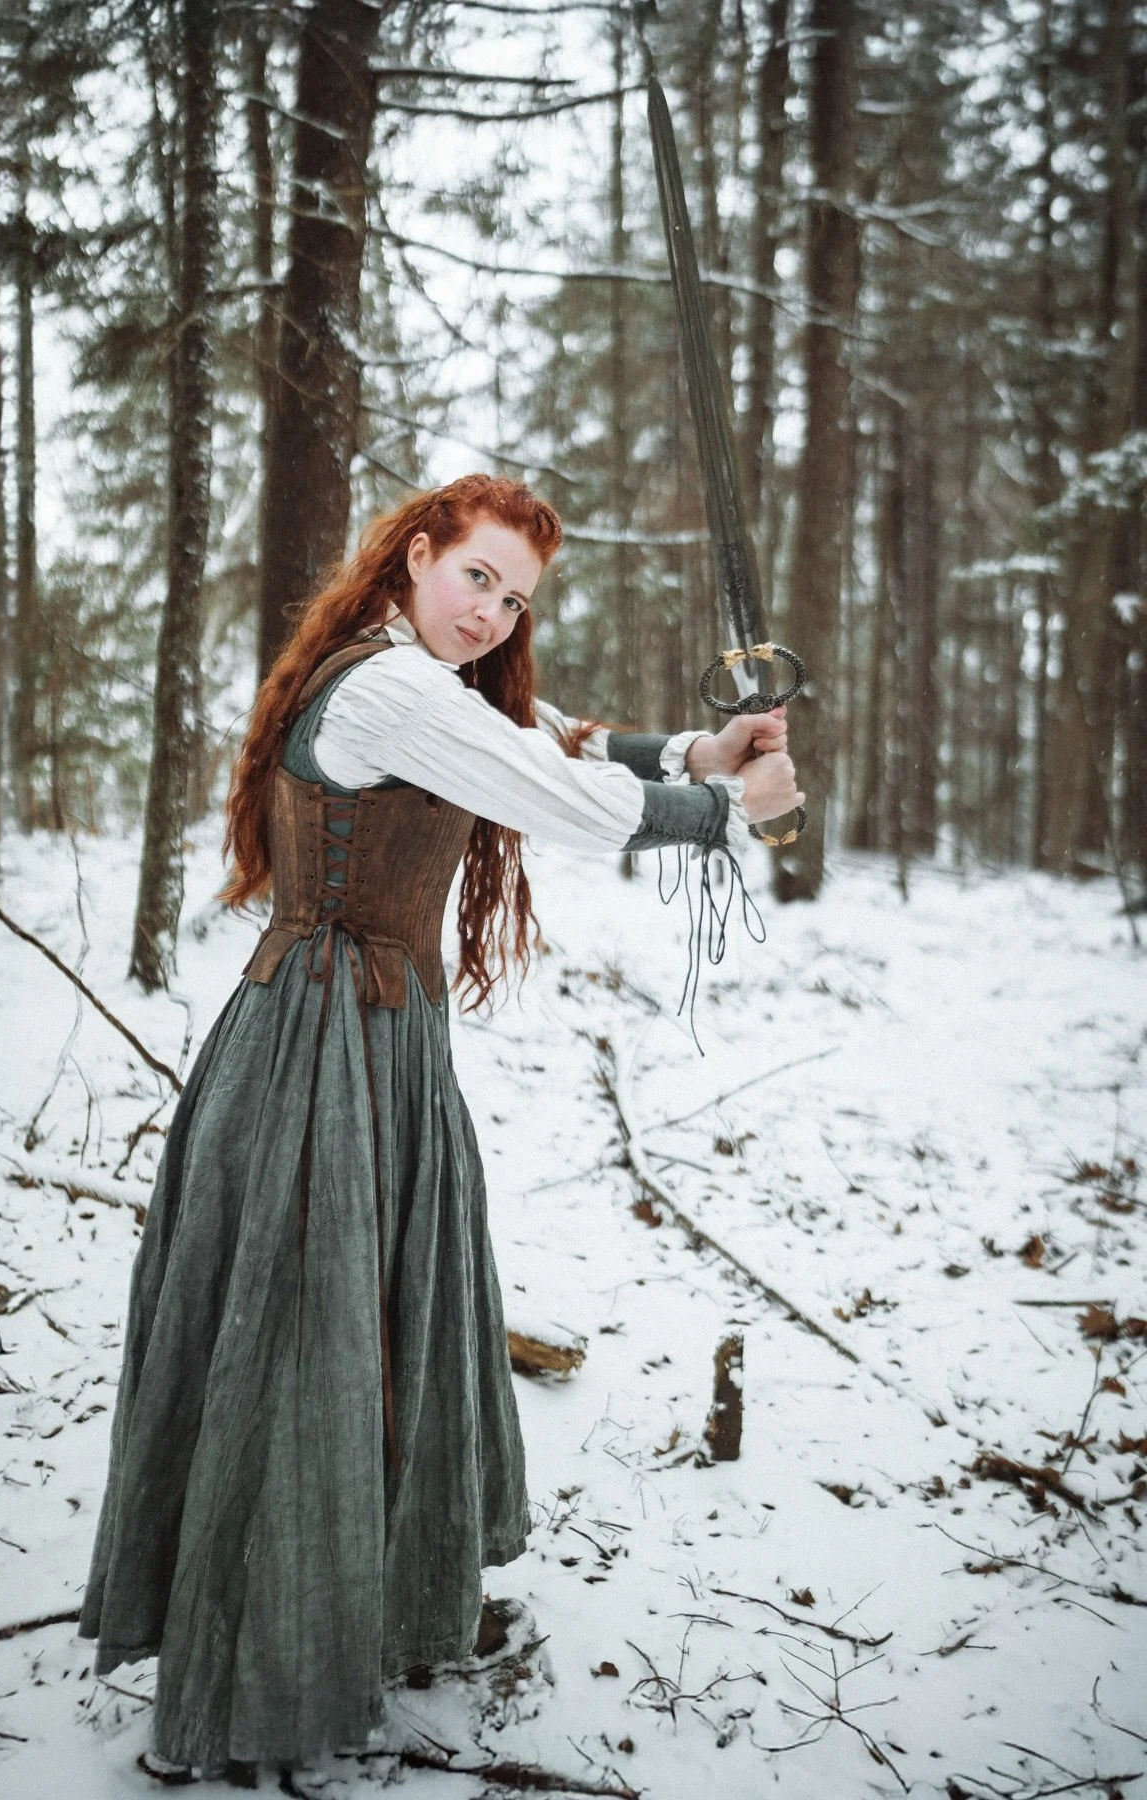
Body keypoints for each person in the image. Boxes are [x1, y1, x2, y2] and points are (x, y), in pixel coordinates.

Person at [77, 475, 800, 1784]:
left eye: (514, 597)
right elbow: (553, 794)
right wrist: (726, 813)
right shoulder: (391, 692)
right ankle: (255, 1668)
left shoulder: (421, 680)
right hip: (321, 1051)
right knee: (307, 1340)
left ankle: (372, 1613)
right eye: (477, 577)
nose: (492, 612)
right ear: (416, 557)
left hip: (380, 1039)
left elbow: (552, 740)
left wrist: (693, 754)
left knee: (388, 1329)